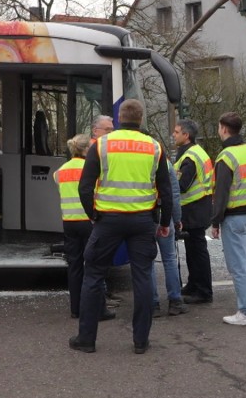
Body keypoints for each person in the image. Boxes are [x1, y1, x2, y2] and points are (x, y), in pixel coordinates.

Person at [69, 100, 172, 355]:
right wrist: (165, 222)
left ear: (120, 117)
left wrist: (92, 214)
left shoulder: (102, 144)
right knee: (143, 278)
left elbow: (84, 186)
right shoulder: (154, 147)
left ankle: (87, 339)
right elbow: (166, 191)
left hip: (108, 221)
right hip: (142, 221)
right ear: (141, 119)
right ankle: (140, 341)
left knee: (93, 276)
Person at [211, 112, 246, 326]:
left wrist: (215, 222)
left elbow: (221, 194)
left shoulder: (226, 157)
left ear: (224, 129)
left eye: (218, 127)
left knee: (238, 267)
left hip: (235, 218)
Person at [53, 134, 115, 322]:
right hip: (90, 222)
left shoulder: (60, 171)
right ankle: (99, 308)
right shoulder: (92, 169)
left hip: (69, 222)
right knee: (95, 266)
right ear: (86, 150)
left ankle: (76, 309)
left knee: (74, 266)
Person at [172, 119, 214, 304]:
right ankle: (193, 284)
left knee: (197, 251)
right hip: (198, 207)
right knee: (192, 250)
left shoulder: (189, 157)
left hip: (195, 209)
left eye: (176, 131)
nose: (173, 134)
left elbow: (182, 185)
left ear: (186, 135)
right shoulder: (194, 152)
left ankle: (203, 291)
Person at [90, 114, 122, 305]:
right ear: (96, 131)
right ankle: (101, 298)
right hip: (98, 210)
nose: (111, 133)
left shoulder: (103, 147)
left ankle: (104, 293)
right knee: (97, 259)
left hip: (102, 209)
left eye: (112, 129)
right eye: (108, 130)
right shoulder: (94, 149)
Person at [151, 156, 188, 317]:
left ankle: (152, 304)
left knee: (147, 262)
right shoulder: (165, 163)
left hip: (145, 217)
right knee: (169, 259)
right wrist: (177, 218)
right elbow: (173, 195)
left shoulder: (137, 160)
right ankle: (175, 301)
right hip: (164, 216)